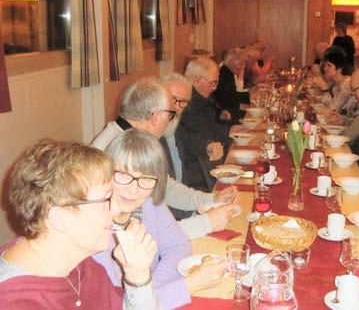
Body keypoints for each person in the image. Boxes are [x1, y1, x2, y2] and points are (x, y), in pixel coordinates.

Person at [0, 139, 159, 309]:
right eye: (105, 200)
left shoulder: (82, 265)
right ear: (59, 218)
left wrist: (137, 274)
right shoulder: (14, 301)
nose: (115, 210)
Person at [94, 129, 226, 309]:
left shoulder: (148, 203)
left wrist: (148, 288)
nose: (134, 190)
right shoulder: (94, 230)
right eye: (123, 174)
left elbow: (179, 246)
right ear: (106, 172)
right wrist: (187, 285)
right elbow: (120, 304)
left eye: (146, 178)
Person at [91, 77, 237, 239]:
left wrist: (212, 198)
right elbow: (131, 238)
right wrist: (205, 223)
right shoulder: (117, 150)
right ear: (156, 116)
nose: (171, 120)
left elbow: (165, 188)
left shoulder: (129, 138)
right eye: (170, 114)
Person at [177, 57, 233, 191]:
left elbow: (210, 121)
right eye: (213, 82)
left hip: (206, 155)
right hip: (196, 166)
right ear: (197, 80)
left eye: (217, 82)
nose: (215, 87)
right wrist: (230, 131)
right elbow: (205, 133)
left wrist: (230, 127)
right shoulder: (188, 101)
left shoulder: (201, 96)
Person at [215, 48, 251, 123]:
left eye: (243, 64)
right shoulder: (222, 74)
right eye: (241, 64)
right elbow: (225, 100)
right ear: (231, 60)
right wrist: (247, 100)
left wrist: (249, 96)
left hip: (229, 110)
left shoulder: (227, 72)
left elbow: (232, 95)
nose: (242, 67)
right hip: (224, 115)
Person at [321, 46, 354, 112]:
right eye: (325, 65)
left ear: (339, 69)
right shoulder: (336, 82)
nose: (325, 68)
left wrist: (324, 88)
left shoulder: (347, 85)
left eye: (329, 65)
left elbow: (333, 108)